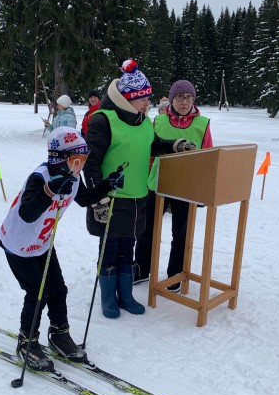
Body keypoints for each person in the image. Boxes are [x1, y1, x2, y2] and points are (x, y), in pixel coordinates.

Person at [0, 126, 125, 370]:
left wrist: (108, 185)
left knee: (58, 290)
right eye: (77, 159)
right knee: (37, 293)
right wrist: (49, 191)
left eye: (84, 158)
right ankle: (27, 342)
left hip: (43, 242)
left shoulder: (73, 177)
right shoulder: (41, 177)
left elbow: (85, 199)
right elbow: (27, 213)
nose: (81, 164)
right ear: (60, 157)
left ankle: (59, 334)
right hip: (18, 244)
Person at [83, 60, 196, 319]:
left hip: (137, 198)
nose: (148, 103)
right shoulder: (104, 120)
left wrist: (174, 144)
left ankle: (125, 295)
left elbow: (152, 145)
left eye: (147, 98)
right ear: (127, 98)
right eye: (143, 98)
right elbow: (90, 162)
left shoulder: (144, 122)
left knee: (128, 249)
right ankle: (108, 298)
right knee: (109, 250)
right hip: (110, 200)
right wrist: (96, 197)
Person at [134, 79, 213, 292]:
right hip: (156, 184)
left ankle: (175, 275)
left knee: (180, 234)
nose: (184, 102)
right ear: (171, 100)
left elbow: (208, 160)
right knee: (145, 229)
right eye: (179, 97)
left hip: (185, 189)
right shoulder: (158, 121)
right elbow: (149, 154)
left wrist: (203, 191)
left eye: (188, 97)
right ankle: (141, 269)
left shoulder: (203, 124)